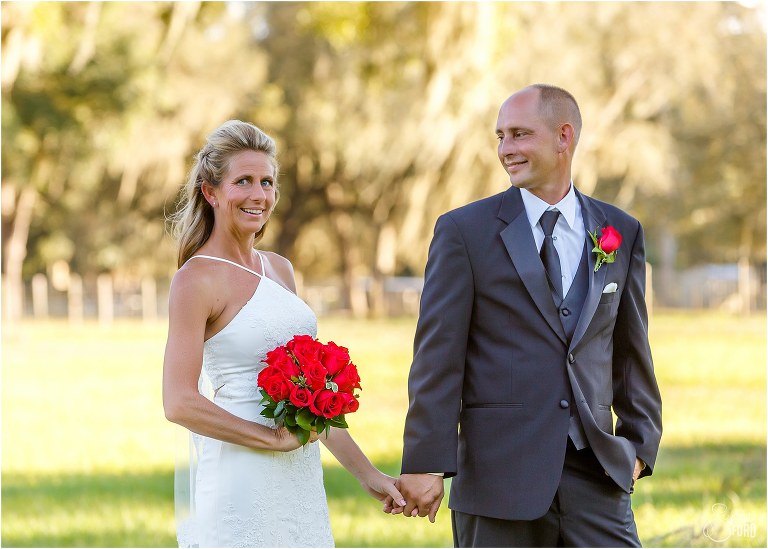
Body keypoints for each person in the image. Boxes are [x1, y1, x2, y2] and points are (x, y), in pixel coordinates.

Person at [391, 84, 662, 547]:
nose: (505, 150)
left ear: (564, 137)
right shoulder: (464, 231)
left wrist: (638, 447)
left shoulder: (620, 231)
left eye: (519, 134)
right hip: (497, 478)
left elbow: (629, 350)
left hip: (597, 475)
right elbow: (438, 357)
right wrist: (424, 460)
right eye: (500, 137)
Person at [163, 120, 405, 548]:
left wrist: (369, 475)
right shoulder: (195, 280)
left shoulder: (280, 269)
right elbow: (179, 402)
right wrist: (270, 440)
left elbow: (310, 402)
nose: (259, 195)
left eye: (267, 182)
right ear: (210, 192)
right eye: (243, 181)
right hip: (239, 473)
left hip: (299, 476)